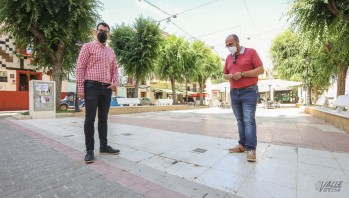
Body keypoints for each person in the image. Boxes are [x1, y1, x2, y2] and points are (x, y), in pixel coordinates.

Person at [76, 22, 120, 163]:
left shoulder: (110, 51)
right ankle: (89, 151)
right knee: (90, 119)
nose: (103, 33)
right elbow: (80, 68)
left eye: (106, 31)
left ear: (108, 34)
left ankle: (104, 146)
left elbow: (115, 70)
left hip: (106, 89)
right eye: (100, 30)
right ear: (96, 32)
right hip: (91, 87)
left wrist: (115, 83)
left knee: (103, 119)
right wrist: (81, 88)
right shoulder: (87, 47)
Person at [223, 34, 264, 162]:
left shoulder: (251, 52)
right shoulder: (229, 58)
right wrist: (228, 76)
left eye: (231, 44)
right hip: (234, 92)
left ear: (237, 42)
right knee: (240, 120)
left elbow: (261, 70)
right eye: (227, 45)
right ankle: (242, 145)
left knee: (248, 120)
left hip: (249, 91)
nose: (229, 47)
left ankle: (251, 149)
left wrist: (242, 74)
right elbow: (224, 74)